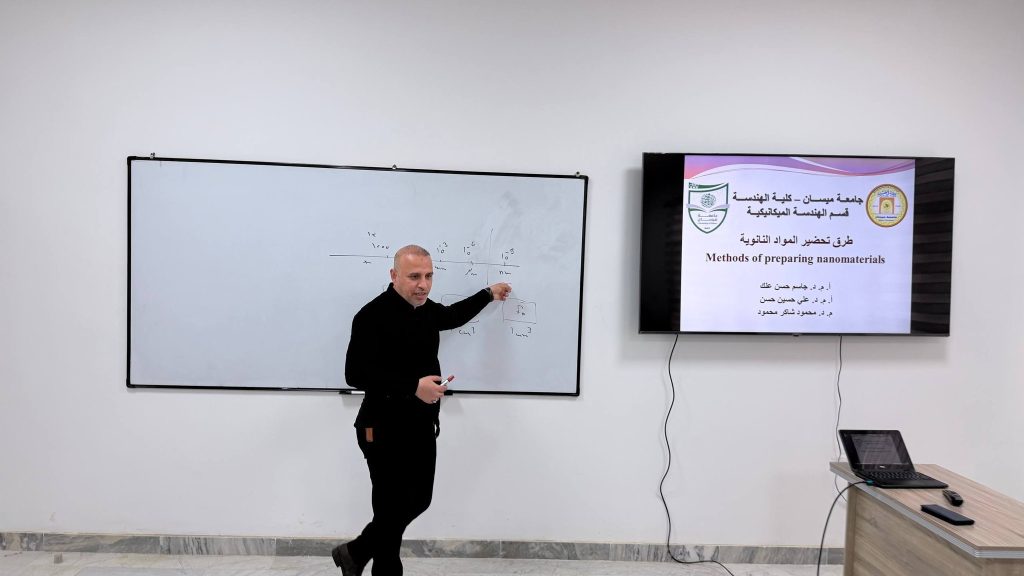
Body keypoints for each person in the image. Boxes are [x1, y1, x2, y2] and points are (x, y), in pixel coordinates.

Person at [332, 244, 511, 576]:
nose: (423, 285)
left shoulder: (426, 310)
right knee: (390, 508)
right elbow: (355, 374)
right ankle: (372, 563)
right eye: (414, 276)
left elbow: (453, 315)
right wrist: (413, 386)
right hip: (380, 428)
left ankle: (355, 551)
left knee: (417, 501)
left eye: (429, 276)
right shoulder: (372, 315)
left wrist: (487, 294)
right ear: (394, 275)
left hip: (420, 424)